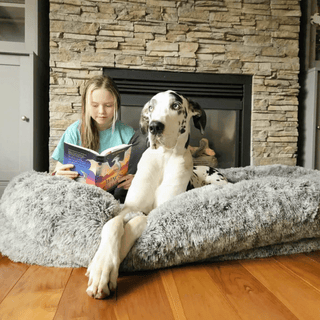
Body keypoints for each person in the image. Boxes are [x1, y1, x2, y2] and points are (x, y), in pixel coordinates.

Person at [51, 75, 140, 201]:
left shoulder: (128, 133)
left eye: (108, 105)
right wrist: (58, 175)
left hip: (115, 197)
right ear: (85, 105)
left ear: (117, 105)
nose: (101, 111)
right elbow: (57, 171)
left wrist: (134, 179)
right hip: (79, 196)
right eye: (94, 105)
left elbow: (137, 172)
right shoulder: (74, 131)